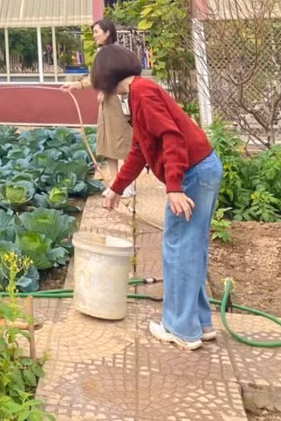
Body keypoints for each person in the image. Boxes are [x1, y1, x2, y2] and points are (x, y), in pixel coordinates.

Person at [92, 44, 223, 351]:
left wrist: (174, 187)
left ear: (105, 76)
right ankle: (198, 323)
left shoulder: (143, 93)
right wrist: (116, 188)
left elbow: (172, 137)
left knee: (179, 247)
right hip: (200, 169)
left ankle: (180, 328)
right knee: (190, 245)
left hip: (193, 172)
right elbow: (140, 149)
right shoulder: (137, 94)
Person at [62, 20, 136, 197]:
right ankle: (114, 183)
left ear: (108, 32)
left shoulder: (119, 52)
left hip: (120, 102)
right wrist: (77, 85)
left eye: (96, 32)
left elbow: (123, 76)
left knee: (124, 141)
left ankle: (129, 184)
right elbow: (95, 77)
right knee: (107, 142)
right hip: (107, 106)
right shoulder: (99, 53)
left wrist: (106, 89)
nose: (94, 35)